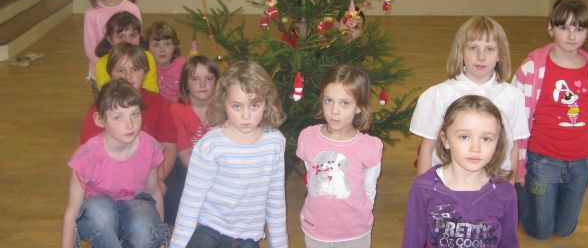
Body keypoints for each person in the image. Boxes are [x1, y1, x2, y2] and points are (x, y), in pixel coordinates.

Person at [513, 0, 588, 239]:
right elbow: (513, 120)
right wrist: (517, 165)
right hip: (541, 161)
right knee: (540, 231)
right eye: (563, 27)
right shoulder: (531, 69)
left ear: (587, 32)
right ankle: (522, 193)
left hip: (581, 163)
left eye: (579, 29)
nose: (571, 36)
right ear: (551, 28)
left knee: (565, 229)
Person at [170, 61, 288, 248]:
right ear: (223, 103)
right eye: (237, 106)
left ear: (267, 103)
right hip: (210, 227)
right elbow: (191, 201)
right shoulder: (210, 145)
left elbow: (276, 201)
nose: (246, 116)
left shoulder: (275, 143)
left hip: (247, 235)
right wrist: (177, 245)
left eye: (254, 106)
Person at [410, 16, 529, 180]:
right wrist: (423, 189)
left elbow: (513, 147)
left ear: (499, 55)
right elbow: (427, 148)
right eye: (473, 48)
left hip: (494, 185)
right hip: (447, 186)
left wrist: (509, 189)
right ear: (461, 51)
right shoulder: (438, 95)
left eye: (490, 49)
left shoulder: (513, 97)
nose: (481, 57)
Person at [62, 80, 169, 248]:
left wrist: (160, 240)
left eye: (135, 114)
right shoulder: (87, 157)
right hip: (98, 211)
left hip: (135, 204)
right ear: (100, 120)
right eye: (118, 117)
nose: (129, 124)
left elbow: (154, 191)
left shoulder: (149, 147)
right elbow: (72, 211)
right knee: (100, 213)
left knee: (146, 231)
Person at [402, 95, 519, 248]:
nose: (475, 148)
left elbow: (509, 243)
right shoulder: (423, 189)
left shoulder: (505, 192)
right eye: (464, 137)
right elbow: (411, 242)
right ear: (445, 139)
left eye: (486, 139)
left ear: (497, 144)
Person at [297, 65, 383, 248]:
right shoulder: (307, 137)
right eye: (329, 100)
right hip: (316, 230)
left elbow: (369, 188)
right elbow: (310, 176)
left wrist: (361, 212)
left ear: (359, 107)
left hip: (355, 233)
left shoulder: (369, 146)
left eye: (345, 103)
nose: (334, 110)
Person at [81, 43, 177, 192]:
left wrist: (158, 179)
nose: (127, 76)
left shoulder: (158, 103)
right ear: (110, 74)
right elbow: (89, 154)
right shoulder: (99, 108)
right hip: (107, 182)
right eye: (120, 70)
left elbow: (169, 146)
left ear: (145, 74)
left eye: (135, 69)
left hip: (148, 178)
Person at [164, 55, 218, 226]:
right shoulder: (176, 110)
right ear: (185, 83)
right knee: (177, 199)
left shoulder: (223, 108)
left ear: (217, 82)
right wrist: (204, 178)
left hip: (217, 166)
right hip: (186, 165)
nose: (203, 84)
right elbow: (184, 151)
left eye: (209, 78)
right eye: (195, 79)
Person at [84, 0, 140, 77]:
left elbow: (136, 40)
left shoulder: (133, 9)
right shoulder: (91, 14)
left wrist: (126, 66)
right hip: (101, 70)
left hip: (128, 71)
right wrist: (106, 68)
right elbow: (90, 49)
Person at [94, 11, 159, 93]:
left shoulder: (148, 57)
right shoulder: (101, 64)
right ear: (110, 39)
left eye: (132, 35)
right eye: (121, 37)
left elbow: (151, 91)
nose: (128, 41)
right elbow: (108, 94)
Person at [146, 21, 186, 102]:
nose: (162, 50)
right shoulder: (146, 67)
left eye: (167, 44)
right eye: (156, 45)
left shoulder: (183, 66)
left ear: (174, 46)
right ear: (148, 48)